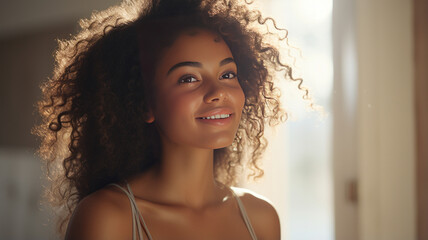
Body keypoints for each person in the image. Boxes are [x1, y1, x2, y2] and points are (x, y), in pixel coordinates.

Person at [35, 0, 306, 239]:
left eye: (227, 75)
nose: (218, 93)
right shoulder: (108, 218)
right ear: (145, 104)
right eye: (189, 78)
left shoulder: (261, 218)